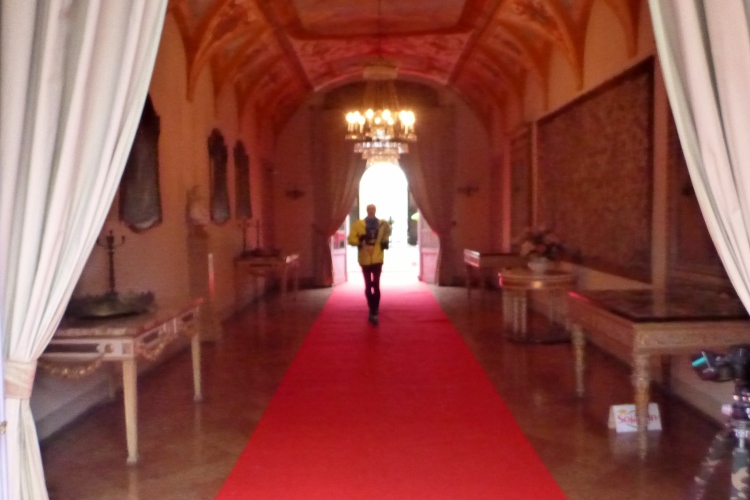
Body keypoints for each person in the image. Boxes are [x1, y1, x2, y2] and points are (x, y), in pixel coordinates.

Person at [348, 204, 391, 325]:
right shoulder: (358, 224)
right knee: (368, 285)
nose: (371, 211)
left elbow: (387, 234)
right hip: (365, 259)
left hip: (377, 258)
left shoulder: (382, 224)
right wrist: (359, 241)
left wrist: (385, 240)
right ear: (367, 210)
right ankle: (371, 307)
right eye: (369, 209)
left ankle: (375, 308)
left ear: (375, 210)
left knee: (376, 284)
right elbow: (351, 239)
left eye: (373, 209)